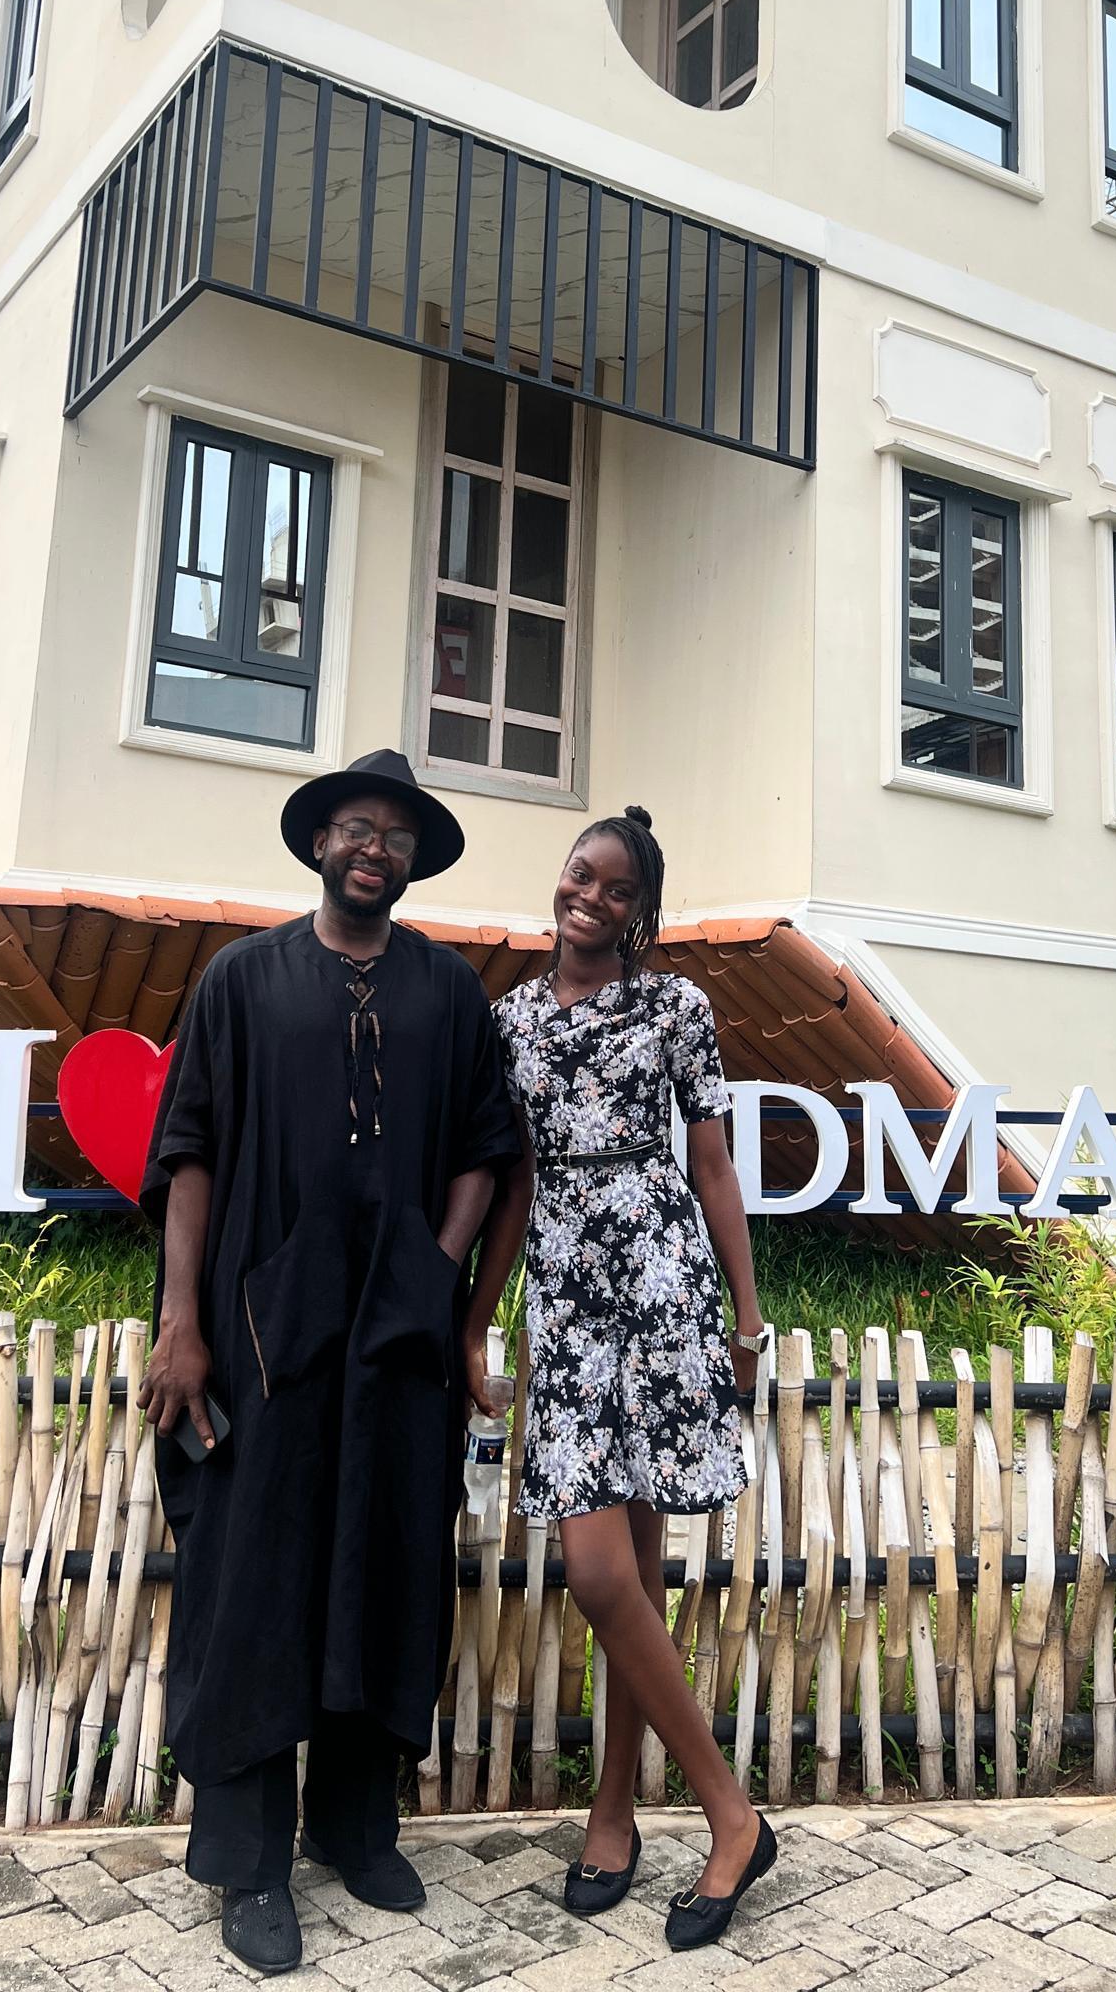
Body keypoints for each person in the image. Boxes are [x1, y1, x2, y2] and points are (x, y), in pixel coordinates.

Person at [138, 748, 518, 1977]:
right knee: (257, 1575)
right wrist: (183, 1322)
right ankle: (248, 1863)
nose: (375, 848)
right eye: (357, 828)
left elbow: (485, 1146)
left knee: (386, 1561)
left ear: (413, 859)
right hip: (265, 1337)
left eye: (396, 835)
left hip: (396, 1342)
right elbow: (187, 1154)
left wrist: (434, 1262)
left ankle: (360, 1827)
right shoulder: (241, 983)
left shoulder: (449, 994)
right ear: (319, 844)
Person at [463, 807, 777, 1951]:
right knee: (605, 1575)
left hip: (662, 1286)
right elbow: (511, 1183)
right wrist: (477, 1325)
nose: (588, 895)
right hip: (569, 1299)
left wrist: (745, 1318)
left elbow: (710, 1164)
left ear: (640, 911)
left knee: (632, 1574)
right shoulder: (509, 1024)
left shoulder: (677, 1008)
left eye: (613, 886)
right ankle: (728, 1815)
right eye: (577, 874)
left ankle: (620, 1811)